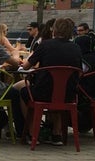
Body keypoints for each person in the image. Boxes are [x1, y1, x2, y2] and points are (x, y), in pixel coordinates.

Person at [15, 18, 82, 146]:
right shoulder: (76, 48)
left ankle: (32, 132)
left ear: (54, 29)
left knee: (24, 92)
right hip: (69, 95)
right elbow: (79, 71)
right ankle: (56, 134)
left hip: (43, 93)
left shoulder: (45, 45)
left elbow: (26, 67)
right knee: (58, 92)